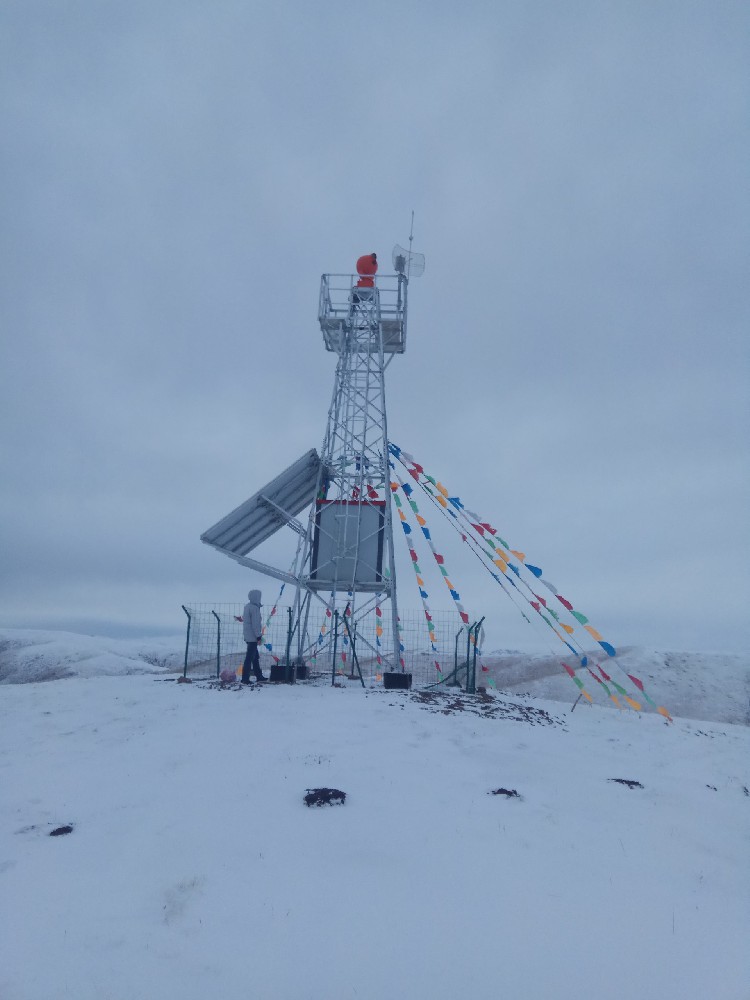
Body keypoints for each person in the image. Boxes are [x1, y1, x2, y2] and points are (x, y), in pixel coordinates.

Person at [241, 589, 267, 683]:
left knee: (255, 657)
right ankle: (245, 678)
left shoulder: (247, 606)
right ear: (256, 597)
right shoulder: (254, 608)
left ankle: (259, 675)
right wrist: (258, 636)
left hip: (248, 635)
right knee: (249, 658)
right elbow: (255, 624)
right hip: (253, 637)